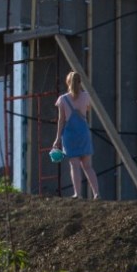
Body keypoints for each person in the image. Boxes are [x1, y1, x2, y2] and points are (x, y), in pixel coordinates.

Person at [52, 70, 100, 199]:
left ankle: (77, 194)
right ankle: (96, 193)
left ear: (68, 82)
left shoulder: (62, 99)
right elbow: (88, 109)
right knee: (88, 166)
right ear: (80, 82)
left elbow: (61, 120)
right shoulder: (86, 96)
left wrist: (57, 139)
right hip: (83, 133)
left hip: (69, 135)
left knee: (74, 166)